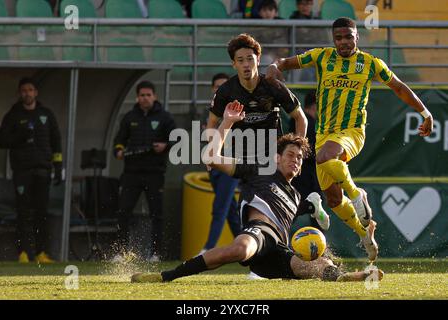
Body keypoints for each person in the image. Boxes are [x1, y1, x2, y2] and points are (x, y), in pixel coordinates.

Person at [131, 102, 384, 283]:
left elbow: (299, 210)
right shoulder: (257, 169)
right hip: (258, 234)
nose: (296, 161)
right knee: (240, 249)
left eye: (299, 158)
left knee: (312, 265)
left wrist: (317, 211)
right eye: (290, 155)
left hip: (278, 251)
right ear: (276, 157)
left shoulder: (295, 195)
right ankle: (167, 276)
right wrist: (227, 122)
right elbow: (210, 156)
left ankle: (346, 276)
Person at [266, 17, 434, 261]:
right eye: (339, 38)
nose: (344, 42)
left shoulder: (370, 63)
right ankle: (365, 233)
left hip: (352, 132)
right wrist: (274, 66)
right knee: (333, 199)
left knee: (325, 157)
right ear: (334, 39)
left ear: (357, 36)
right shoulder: (321, 57)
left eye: (348, 36)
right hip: (324, 134)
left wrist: (425, 113)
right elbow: (285, 62)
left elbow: (398, 86)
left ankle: (357, 195)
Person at [207, 33, 328, 230]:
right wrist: (212, 153)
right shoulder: (226, 91)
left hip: (272, 155)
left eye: (250, 59)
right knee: (264, 202)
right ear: (233, 64)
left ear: (258, 60)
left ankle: (260, 243)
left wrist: (297, 152)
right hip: (243, 155)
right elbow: (212, 121)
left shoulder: (272, 86)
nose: (246, 64)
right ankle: (306, 206)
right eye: (240, 60)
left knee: (257, 202)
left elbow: (301, 118)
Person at [0, 77, 63, 264]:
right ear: (20, 93)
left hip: (42, 170)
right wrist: (19, 136)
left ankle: (42, 253)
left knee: (41, 212)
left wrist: (58, 166)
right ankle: (24, 253)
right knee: (23, 212)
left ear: (36, 92)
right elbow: (1, 140)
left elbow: (56, 141)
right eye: (24, 90)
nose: (27, 93)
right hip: (22, 171)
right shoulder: (13, 114)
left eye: (30, 90)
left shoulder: (46, 114)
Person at [113, 81, 176, 262]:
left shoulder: (165, 118)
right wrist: (118, 150)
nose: (145, 98)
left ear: (154, 96)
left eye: (148, 95)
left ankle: (155, 254)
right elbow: (119, 140)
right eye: (142, 95)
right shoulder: (130, 117)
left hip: (155, 173)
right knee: (123, 212)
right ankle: (121, 252)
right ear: (137, 97)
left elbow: (177, 140)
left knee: (156, 214)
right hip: (131, 173)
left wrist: (165, 146)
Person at [197, 73, 241, 257]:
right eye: (216, 86)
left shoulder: (238, 110)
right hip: (213, 165)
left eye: (223, 85)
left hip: (230, 165)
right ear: (212, 89)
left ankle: (208, 249)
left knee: (220, 207)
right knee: (230, 210)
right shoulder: (208, 111)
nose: (220, 89)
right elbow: (206, 136)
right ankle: (251, 250)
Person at [289, 91, 325, 232]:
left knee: (295, 210)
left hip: (303, 174)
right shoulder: (308, 123)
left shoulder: (299, 120)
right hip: (306, 176)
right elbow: (308, 151)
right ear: (316, 105)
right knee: (309, 210)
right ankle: (320, 247)